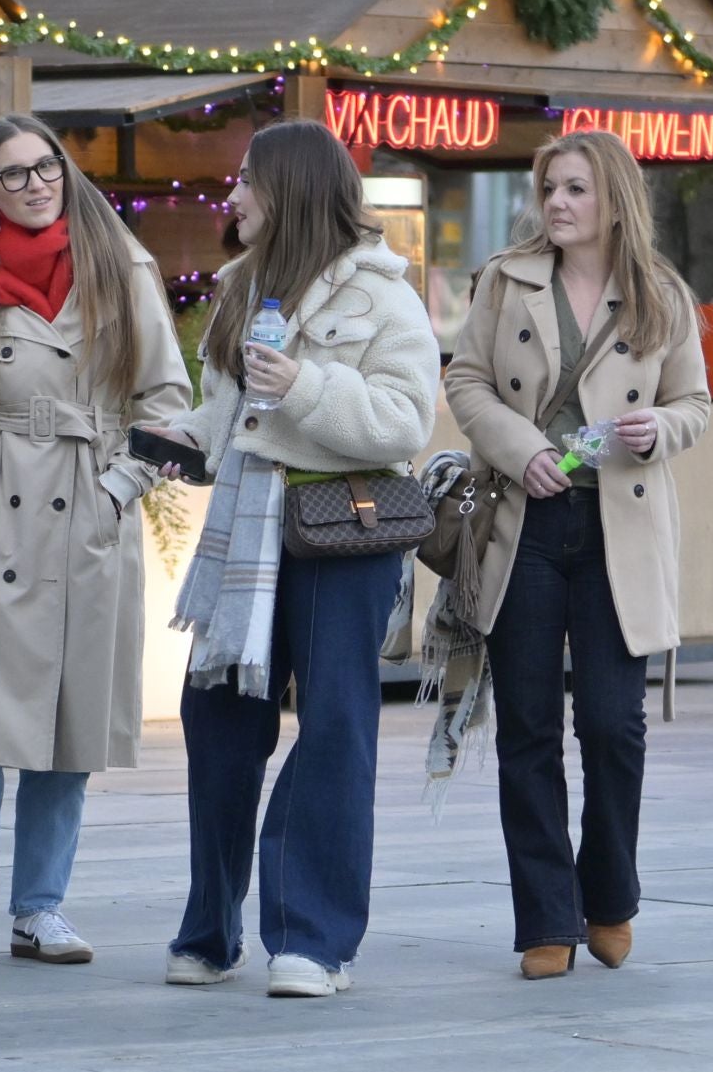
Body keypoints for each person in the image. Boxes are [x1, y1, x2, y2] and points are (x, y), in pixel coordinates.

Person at [148, 119, 440, 998]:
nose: (230, 195)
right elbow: (229, 415)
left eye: (245, 180)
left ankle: (313, 939)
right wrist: (175, 437)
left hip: (342, 530)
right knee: (217, 720)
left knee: (336, 728)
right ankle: (209, 929)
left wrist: (306, 385)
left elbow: (404, 420)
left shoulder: (384, 296)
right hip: (248, 527)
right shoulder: (239, 287)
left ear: (291, 189)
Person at [0, 114, 190, 969]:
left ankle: (41, 907)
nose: (36, 184)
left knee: (71, 717)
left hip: (91, 505)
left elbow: (170, 402)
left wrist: (117, 490)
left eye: (47, 167)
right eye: (13, 174)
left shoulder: (121, 265)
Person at [443, 129, 710, 981]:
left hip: (618, 528)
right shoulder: (505, 279)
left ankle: (612, 897)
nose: (556, 203)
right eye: (549, 187)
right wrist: (519, 446)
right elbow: (464, 380)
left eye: (575, 190)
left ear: (613, 201)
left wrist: (658, 427)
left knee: (610, 725)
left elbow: (693, 402)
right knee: (526, 728)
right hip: (524, 523)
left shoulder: (661, 293)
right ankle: (546, 918)